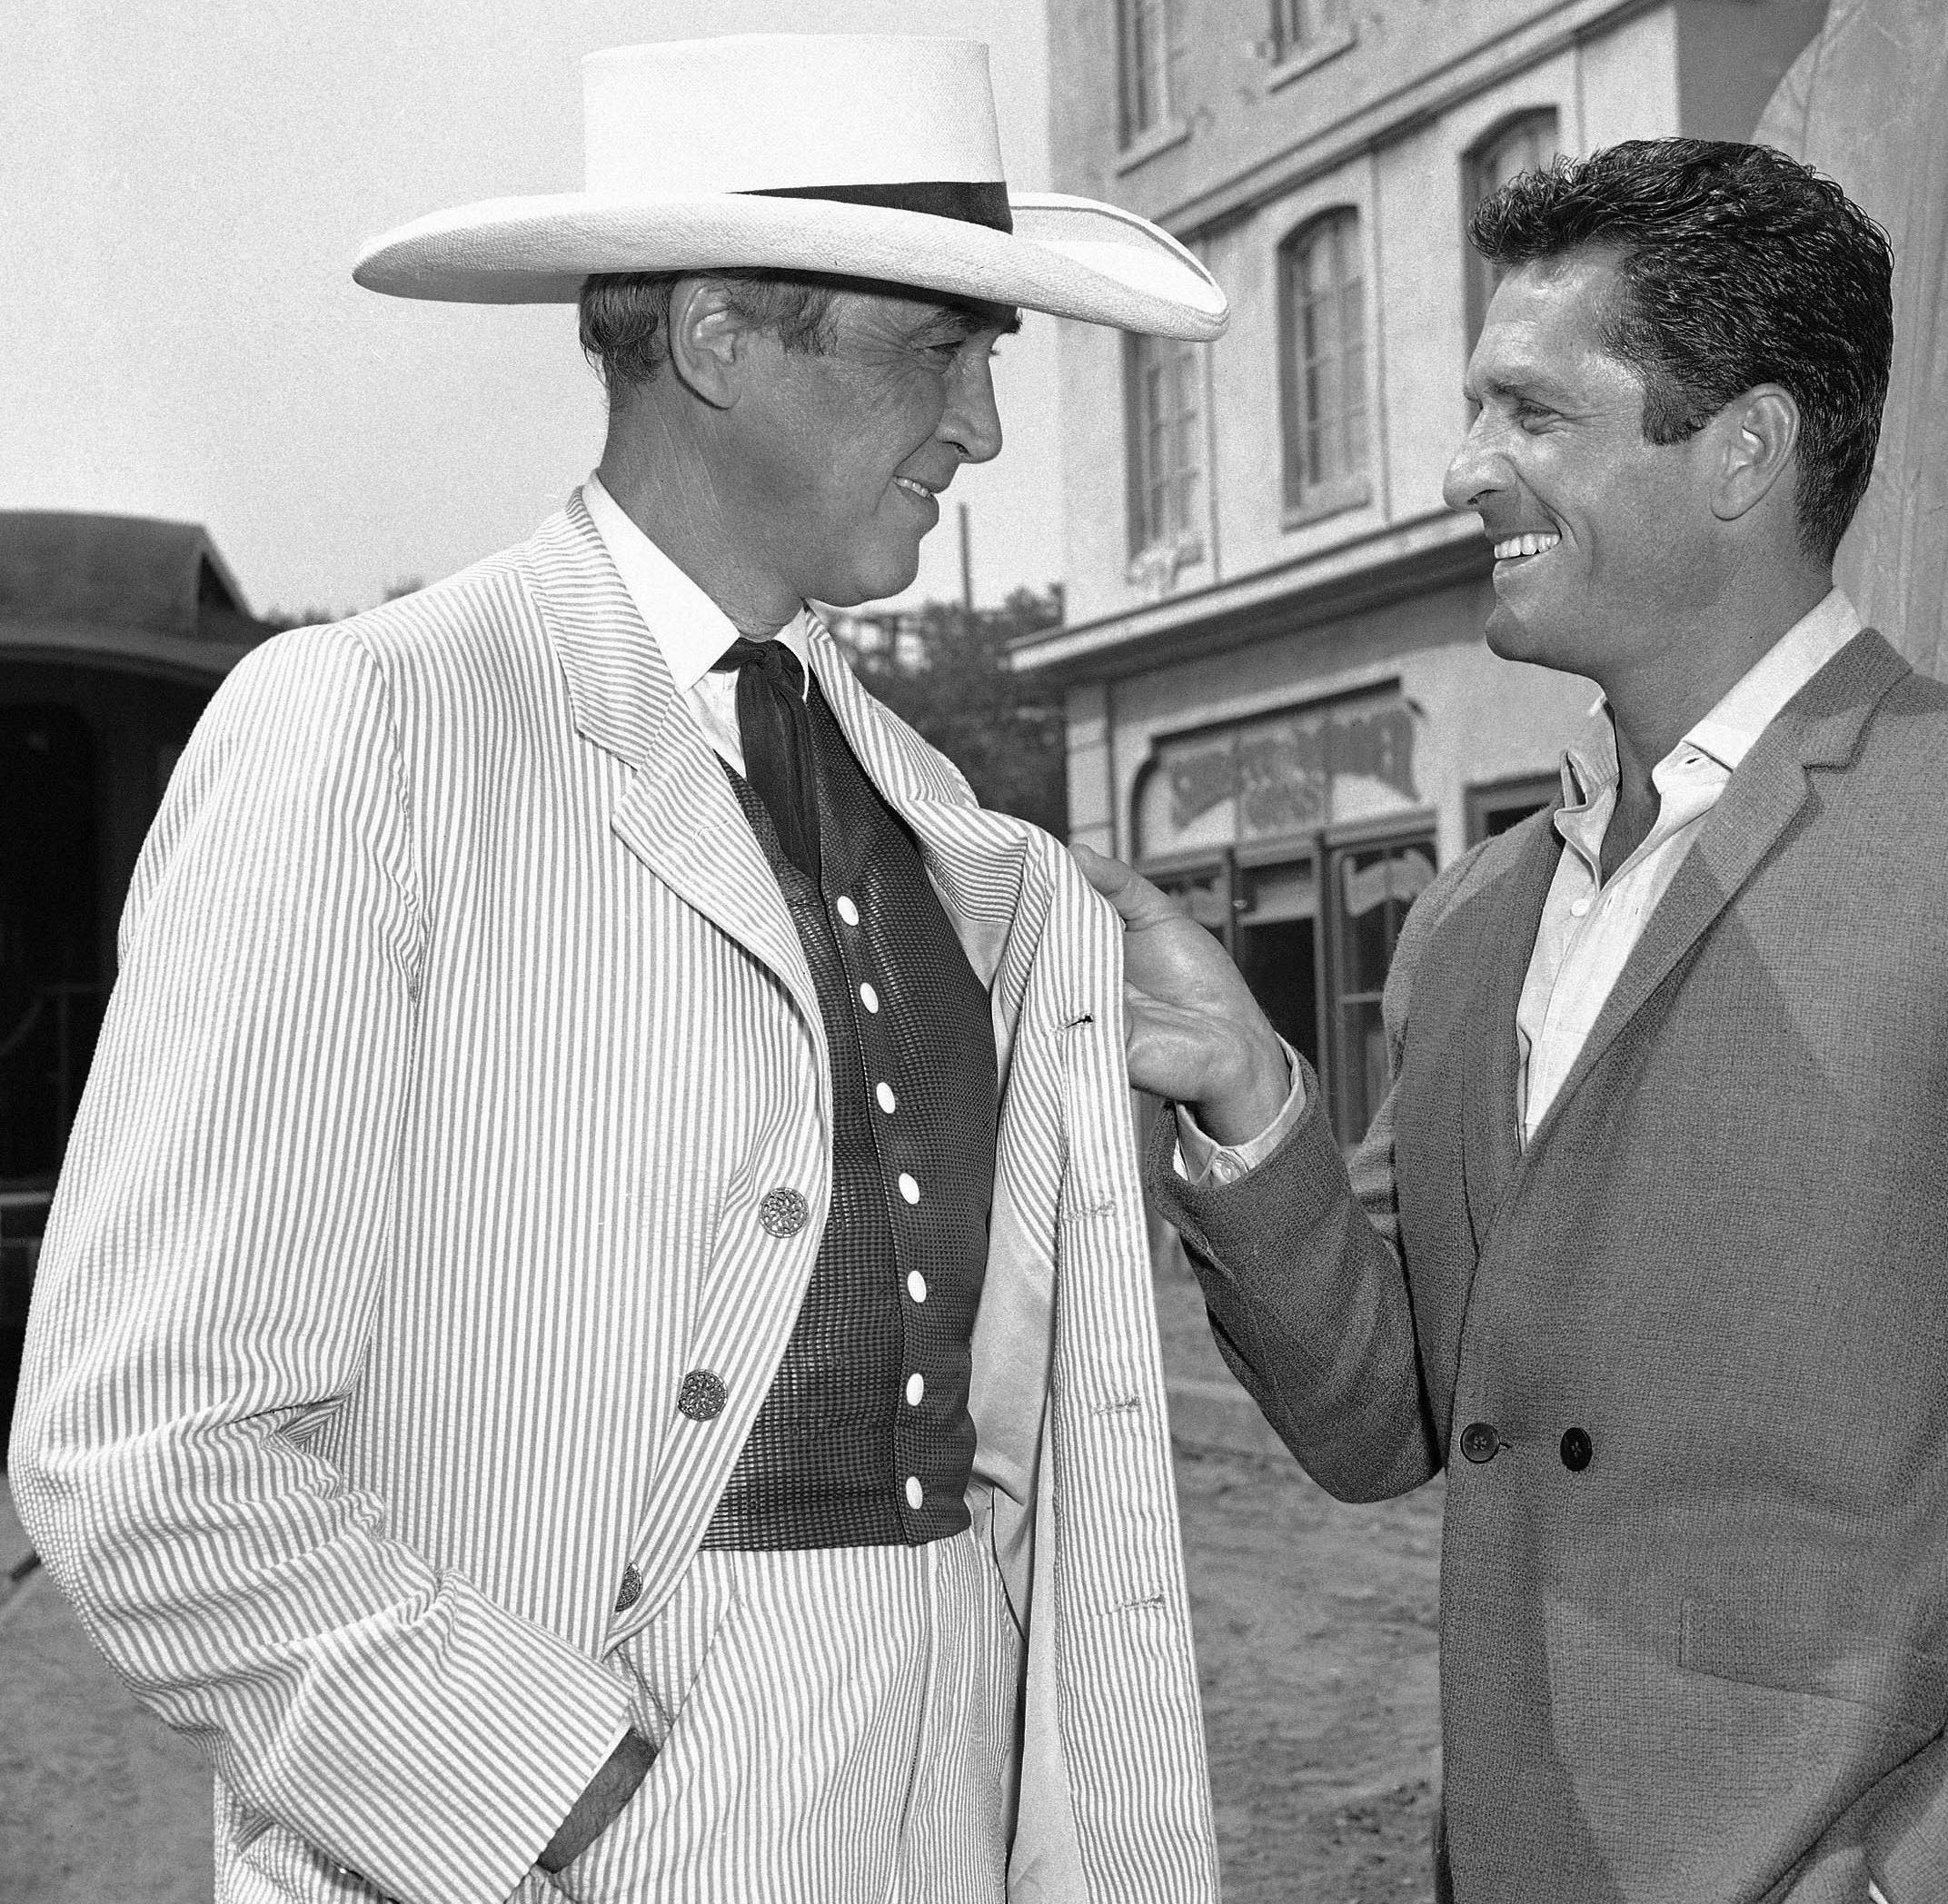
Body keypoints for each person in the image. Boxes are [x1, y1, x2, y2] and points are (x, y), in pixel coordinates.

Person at [10, 35, 1227, 1904]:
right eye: (941, 351)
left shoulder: (954, 831)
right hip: (566, 1812)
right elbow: (143, 1447)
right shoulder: (372, 727)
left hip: (946, 1795)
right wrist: (539, 1780)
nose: (983, 428)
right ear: (721, 339)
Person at [1082, 139, 1948, 1904]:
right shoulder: (1467, 923)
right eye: (1470, 410)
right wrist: (1240, 1089)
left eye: (1531, 412)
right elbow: (1379, 1426)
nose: (1461, 469)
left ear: (1741, 450)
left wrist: (1930, 1882)